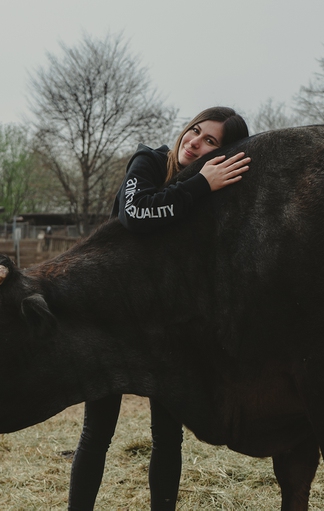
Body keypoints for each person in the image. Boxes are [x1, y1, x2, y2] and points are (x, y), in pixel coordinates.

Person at [68, 106, 250, 511]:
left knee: (168, 435)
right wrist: (200, 185)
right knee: (97, 433)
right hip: (112, 321)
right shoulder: (148, 161)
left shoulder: (215, 192)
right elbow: (136, 214)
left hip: (166, 327)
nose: (195, 142)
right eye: (196, 131)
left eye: (210, 141)